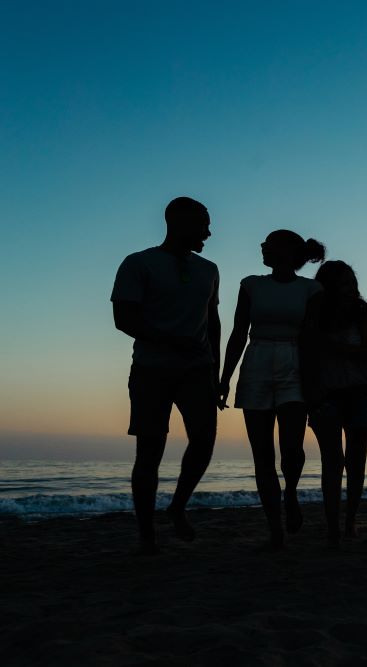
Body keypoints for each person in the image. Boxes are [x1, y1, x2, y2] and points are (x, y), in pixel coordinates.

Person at [111, 196, 221, 554]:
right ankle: (146, 533)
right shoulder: (139, 263)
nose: (208, 230)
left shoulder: (209, 269)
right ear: (178, 222)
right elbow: (124, 319)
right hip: (151, 371)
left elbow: (214, 322)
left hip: (198, 372)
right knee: (150, 451)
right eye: (202, 223)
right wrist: (171, 341)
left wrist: (216, 369)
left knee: (204, 441)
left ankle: (177, 506)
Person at [218, 230, 325, 548]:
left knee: (291, 449)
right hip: (256, 363)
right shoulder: (251, 285)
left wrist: (314, 382)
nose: (262, 246)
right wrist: (224, 378)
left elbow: (313, 338)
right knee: (262, 453)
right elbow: (238, 332)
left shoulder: (311, 289)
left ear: (288, 251)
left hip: (294, 363)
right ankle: (274, 527)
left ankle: (290, 492)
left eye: (269, 243)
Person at [302, 260, 367, 549]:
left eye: (352, 282)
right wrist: (312, 393)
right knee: (332, 462)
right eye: (344, 283)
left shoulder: (362, 312)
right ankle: (334, 526)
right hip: (326, 393)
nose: (351, 288)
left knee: (356, 462)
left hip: (360, 390)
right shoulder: (315, 313)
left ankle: (350, 522)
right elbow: (308, 353)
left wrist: (333, 346)